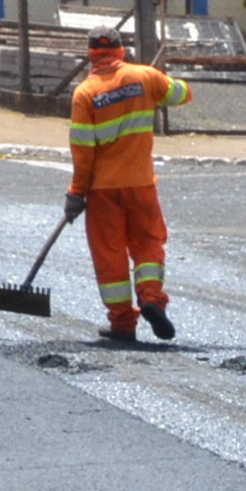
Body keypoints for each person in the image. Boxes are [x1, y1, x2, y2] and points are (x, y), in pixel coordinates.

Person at [66, 29, 192, 343]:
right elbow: (182, 94)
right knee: (148, 244)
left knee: (109, 255)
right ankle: (151, 298)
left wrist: (76, 193)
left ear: (91, 53)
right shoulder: (144, 76)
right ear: (121, 50)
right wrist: (164, 82)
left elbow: (82, 150)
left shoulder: (85, 93)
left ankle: (122, 323)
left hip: (102, 190)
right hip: (140, 183)